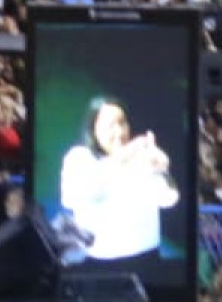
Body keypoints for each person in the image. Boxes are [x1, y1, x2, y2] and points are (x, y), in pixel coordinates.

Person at [59, 97, 179, 262]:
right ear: (93, 129)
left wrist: (163, 171)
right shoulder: (79, 157)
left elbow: (169, 199)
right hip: (100, 263)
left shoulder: (142, 156)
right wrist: (124, 156)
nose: (119, 132)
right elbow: (74, 198)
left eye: (122, 123)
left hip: (148, 259)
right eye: (110, 125)